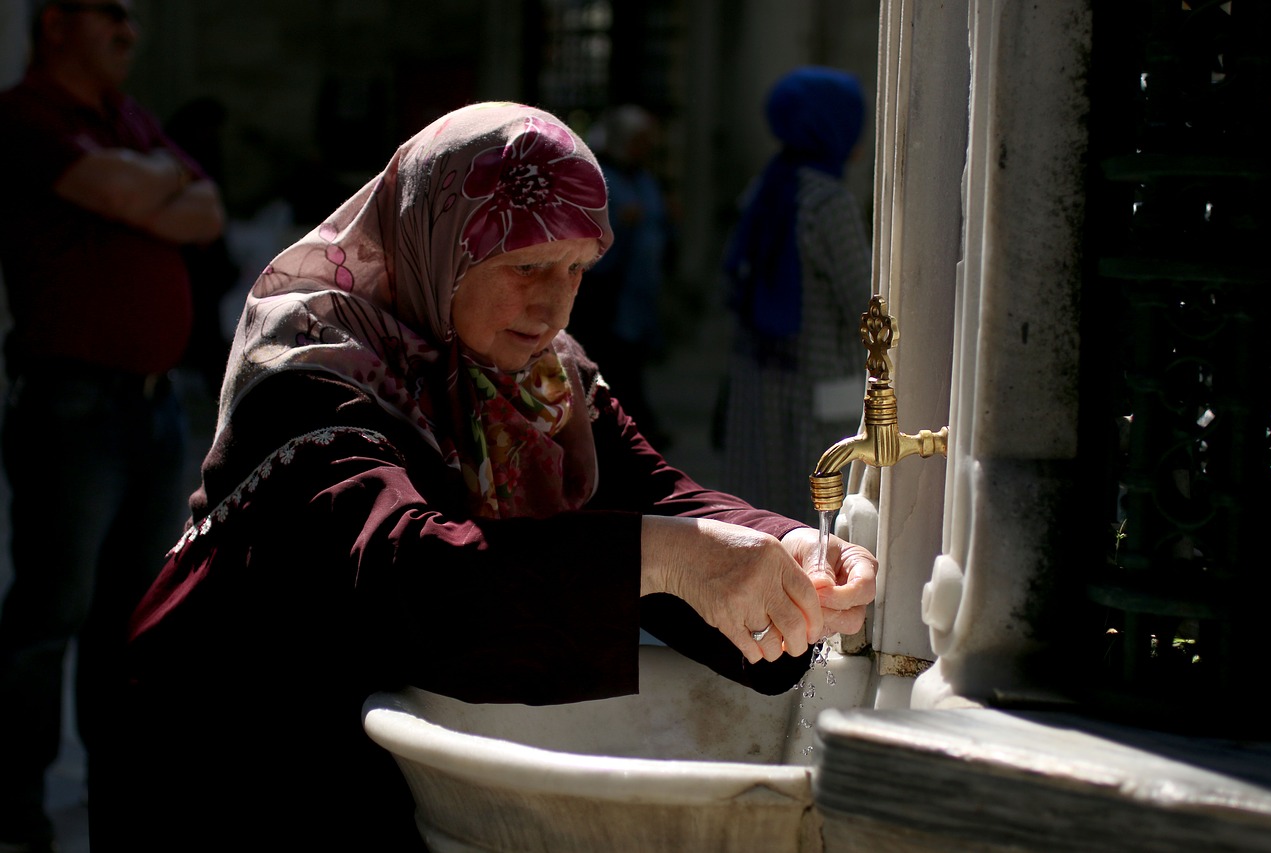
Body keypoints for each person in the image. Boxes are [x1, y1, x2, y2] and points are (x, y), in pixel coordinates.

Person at [93, 101, 877, 852]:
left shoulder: (540, 383)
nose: (553, 305)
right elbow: (404, 568)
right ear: (441, 240)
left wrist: (786, 547)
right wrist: (667, 555)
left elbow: (653, 493)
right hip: (233, 745)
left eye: (576, 269)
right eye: (527, 264)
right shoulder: (313, 371)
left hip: (377, 745)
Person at [0, 2, 225, 851]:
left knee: (130, 620)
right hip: (72, 405)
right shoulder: (24, 115)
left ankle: (114, 799)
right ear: (55, 20)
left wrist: (143, 185)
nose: (131, 31)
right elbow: (130, 190)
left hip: (152, 406)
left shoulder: (125, 118)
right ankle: (14, 804)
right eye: (111, 14)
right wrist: (147, 186)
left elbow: (204, 208)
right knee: (50, 611)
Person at [719, 66, 874, 523]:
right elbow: (864, 307)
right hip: (816, 396)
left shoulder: (765, 189)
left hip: (758, 383)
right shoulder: (828, 203)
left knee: (760, 519)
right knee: (813, 527)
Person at [571, 103, 674, 447]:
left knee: (632, 366)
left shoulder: (643, 178)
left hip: (639, 292)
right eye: (639, 140)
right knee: (614, 367)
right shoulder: (600, 177)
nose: (646, 148)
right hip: (607, 295)